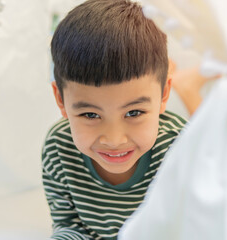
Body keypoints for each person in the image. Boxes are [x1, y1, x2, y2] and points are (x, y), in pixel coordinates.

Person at [41, 0, 188, 239]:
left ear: (163, 94)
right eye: (90, 114)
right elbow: (70, 227)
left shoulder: (181, 149)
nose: (114, 139)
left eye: (134, 113)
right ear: (61, 99)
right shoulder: (58, 149)